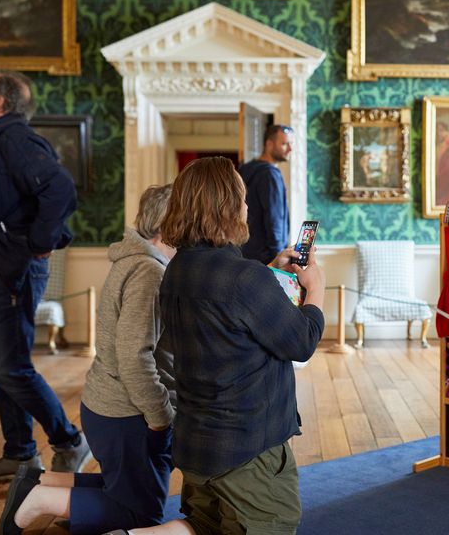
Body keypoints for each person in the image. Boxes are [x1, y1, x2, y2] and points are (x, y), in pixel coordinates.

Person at [100, 156, 325, 535]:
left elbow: (226, 316)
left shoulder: (175, 270)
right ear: (227, 206)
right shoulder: (244, 279)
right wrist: (315, 288)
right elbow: (301, 341)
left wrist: (270, 272)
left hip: (197, 444)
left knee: (204, 524)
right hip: (248, 447)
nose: (248, 205)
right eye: (241, 196)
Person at [0, 185, 177, 534]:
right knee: (141, 516)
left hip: (109, 407)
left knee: (130, 495)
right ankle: (40, 501)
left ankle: (41, 482)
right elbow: (134, 357)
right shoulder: (149, 272)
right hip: (128, 413)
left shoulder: (136, 262)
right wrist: (160, 417)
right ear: (169, 226)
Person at [0, 71, 91, 483]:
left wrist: (38, 242)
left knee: (11, 367)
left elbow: (60, 189)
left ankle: (69, 440)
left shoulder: (14, 139)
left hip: (9, 270)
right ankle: (19, 453)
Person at [238, 124, 292, 264]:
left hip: (244, 253)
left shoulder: (244, 169)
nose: (290, 149)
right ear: (269, 144)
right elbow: (275, 219)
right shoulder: (270, 174)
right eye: (285, 144)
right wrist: (279, 255)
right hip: (267, 258)